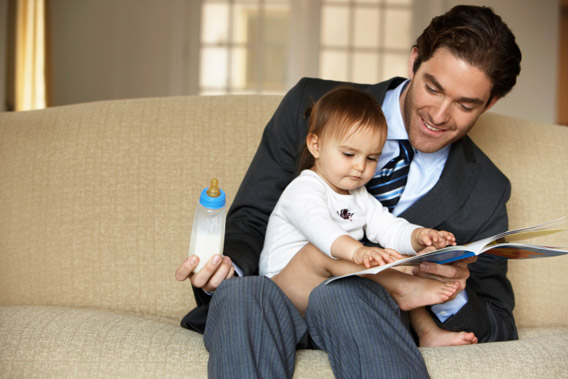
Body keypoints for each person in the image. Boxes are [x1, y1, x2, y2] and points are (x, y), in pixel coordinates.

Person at [175, 4, 522, 378]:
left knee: (345, 293)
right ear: (414, 61)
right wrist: (226, 271)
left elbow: (500, 321)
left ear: (491, 102)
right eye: (432, 88)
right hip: (276, 294)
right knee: (241, 294)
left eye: (465, 105)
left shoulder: (487, 189)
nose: (438, 115)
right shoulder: (315, 105)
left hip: (370, 320)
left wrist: (453, 289)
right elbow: (253, 218)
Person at [260, 86, 475, 348]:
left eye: (372, 158)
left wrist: (420, 237)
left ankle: (427, 332)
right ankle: (401, 287)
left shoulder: (358, 195)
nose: (360, 166)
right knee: (322, 251)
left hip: (330, 296)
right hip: (283, 292)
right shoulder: (304, 189)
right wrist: (358, 253)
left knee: (401, 260)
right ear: (315, 145)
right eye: (349, 154)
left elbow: (388, 228)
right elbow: (320, 229)